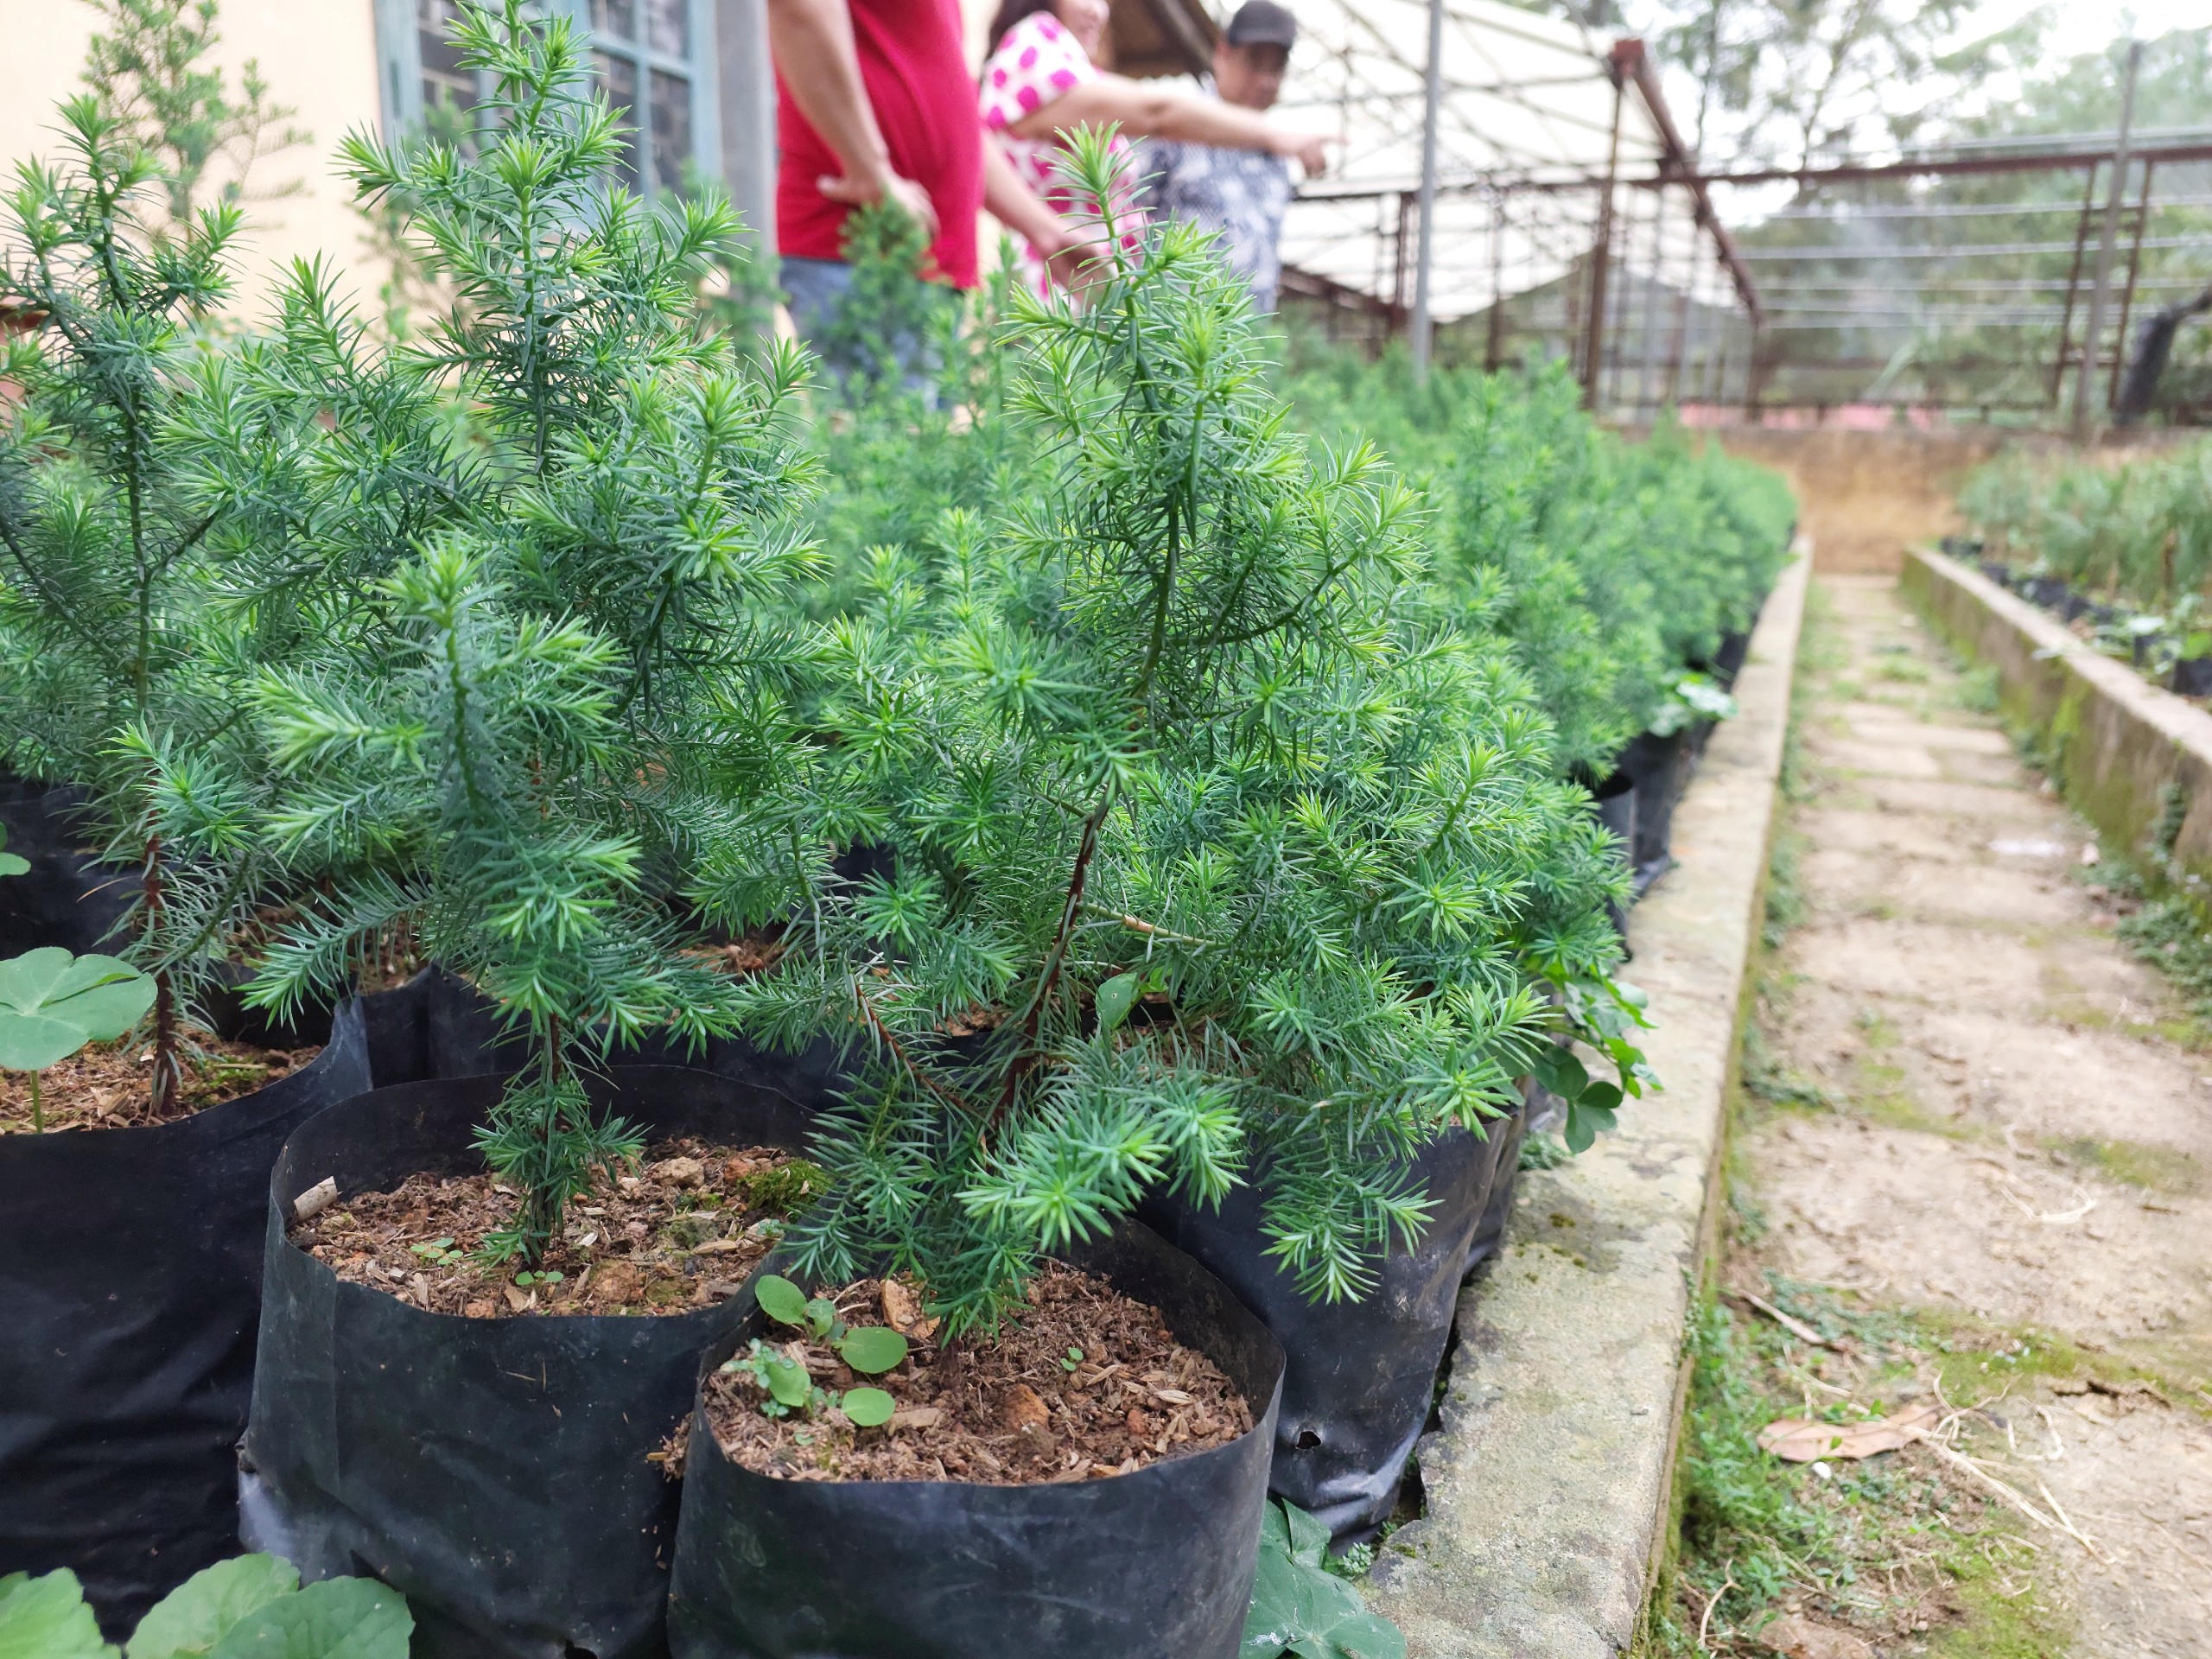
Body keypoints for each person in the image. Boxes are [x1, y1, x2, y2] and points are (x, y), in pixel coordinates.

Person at [764, 0, 1092, 372]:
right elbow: (800, 11)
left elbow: (957, 120)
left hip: (931, 264)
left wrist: (1046, 231)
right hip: (861, 246)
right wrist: (871, 171)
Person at [977, 0, 1329, 292]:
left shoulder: (1071, 66)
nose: (1096, 10)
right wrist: (1274, 135)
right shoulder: (1034, 43)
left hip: (1092, 297)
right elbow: (1157, 113)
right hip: (1055, 297)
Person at [1131, 2, 1304, 314]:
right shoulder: (1176, 126)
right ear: (1223, 53)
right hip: (1172, 327)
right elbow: (1123, 214)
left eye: (1276, 67)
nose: (1266, 80)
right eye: (1255, 61)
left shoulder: (1277, 153)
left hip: (1245, 334)